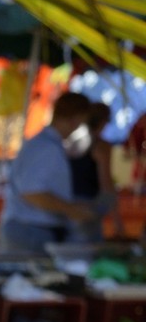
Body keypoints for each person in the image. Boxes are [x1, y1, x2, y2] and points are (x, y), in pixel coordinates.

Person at [0, 91, 98, 251]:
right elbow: (32, 192)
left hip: (30, 230)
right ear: (75, 119)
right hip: (29, 232)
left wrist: (72, 206)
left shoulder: (45, 144)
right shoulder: (47, 147)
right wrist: (71, 210)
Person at [71, 100, 124, 243]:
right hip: (86, 207)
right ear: (103, 122)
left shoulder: (69, 142)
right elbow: (106, 184)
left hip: (63, 205)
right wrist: (117, 222)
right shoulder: (100, 146)